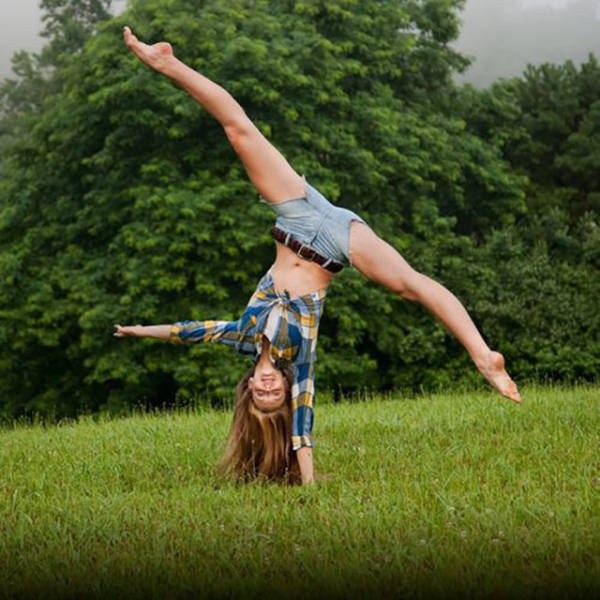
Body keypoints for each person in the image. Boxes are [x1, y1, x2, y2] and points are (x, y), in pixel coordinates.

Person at [114, 26, 521, 486]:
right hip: (336, 247)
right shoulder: (299, 359)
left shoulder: (244, 337)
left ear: (247, 389)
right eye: (275, 396)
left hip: (295, 215)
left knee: (238, 131)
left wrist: (136, 330)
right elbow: (302, 433)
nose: (269, 388)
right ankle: (485, 357)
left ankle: (166, 62)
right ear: (285, 390)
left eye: (261, 394)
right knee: (410, 286)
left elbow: (189, 332)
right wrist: (308, 486)